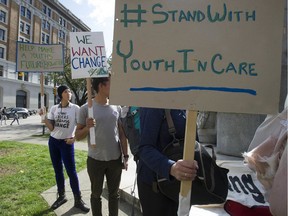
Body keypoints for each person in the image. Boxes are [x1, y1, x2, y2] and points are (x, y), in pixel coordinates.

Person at [75, 75, 128, 216]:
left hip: (115, 160)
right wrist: (87, 128)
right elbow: (77, 136)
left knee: (114, 195)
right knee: (96, 195)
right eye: (111, 84)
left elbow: (121, 134)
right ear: (101, 86)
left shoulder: (116, 106)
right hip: (95, 161)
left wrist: (126, 156)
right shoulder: (85, 109)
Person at [137, 108, 199, 216]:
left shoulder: (186, 103)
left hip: (179, 184)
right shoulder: (153, 104)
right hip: (156, 187)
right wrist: (172, 168)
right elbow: (144, 148)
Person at [42, 85, 90, 212]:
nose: (69, 93)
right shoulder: (54, 108)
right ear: (60, 94)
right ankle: (62, 196)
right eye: (65, 91)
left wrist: (74, 138)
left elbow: (81, 127)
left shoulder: (75, 108)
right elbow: (51, 128)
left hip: (67, 143)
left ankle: (78, 199)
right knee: (58, 170)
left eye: (69, 91)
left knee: (71, 172)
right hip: (53, 142)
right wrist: (43, 117)